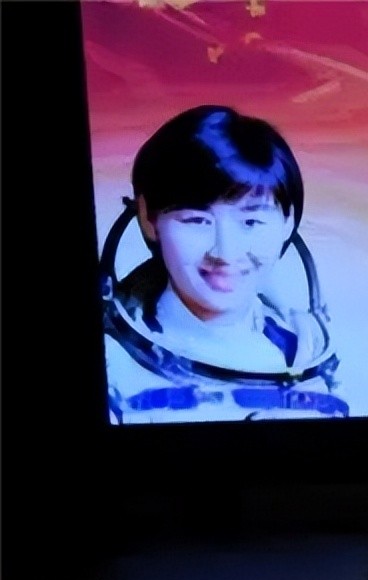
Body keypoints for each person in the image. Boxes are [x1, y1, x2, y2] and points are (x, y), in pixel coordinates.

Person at [101, 105, 347, 423]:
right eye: (196, 221)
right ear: (149, 218)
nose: (225, 252)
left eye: (251, 221)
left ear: (288, 223)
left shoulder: (309, 353)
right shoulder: (115, 367)